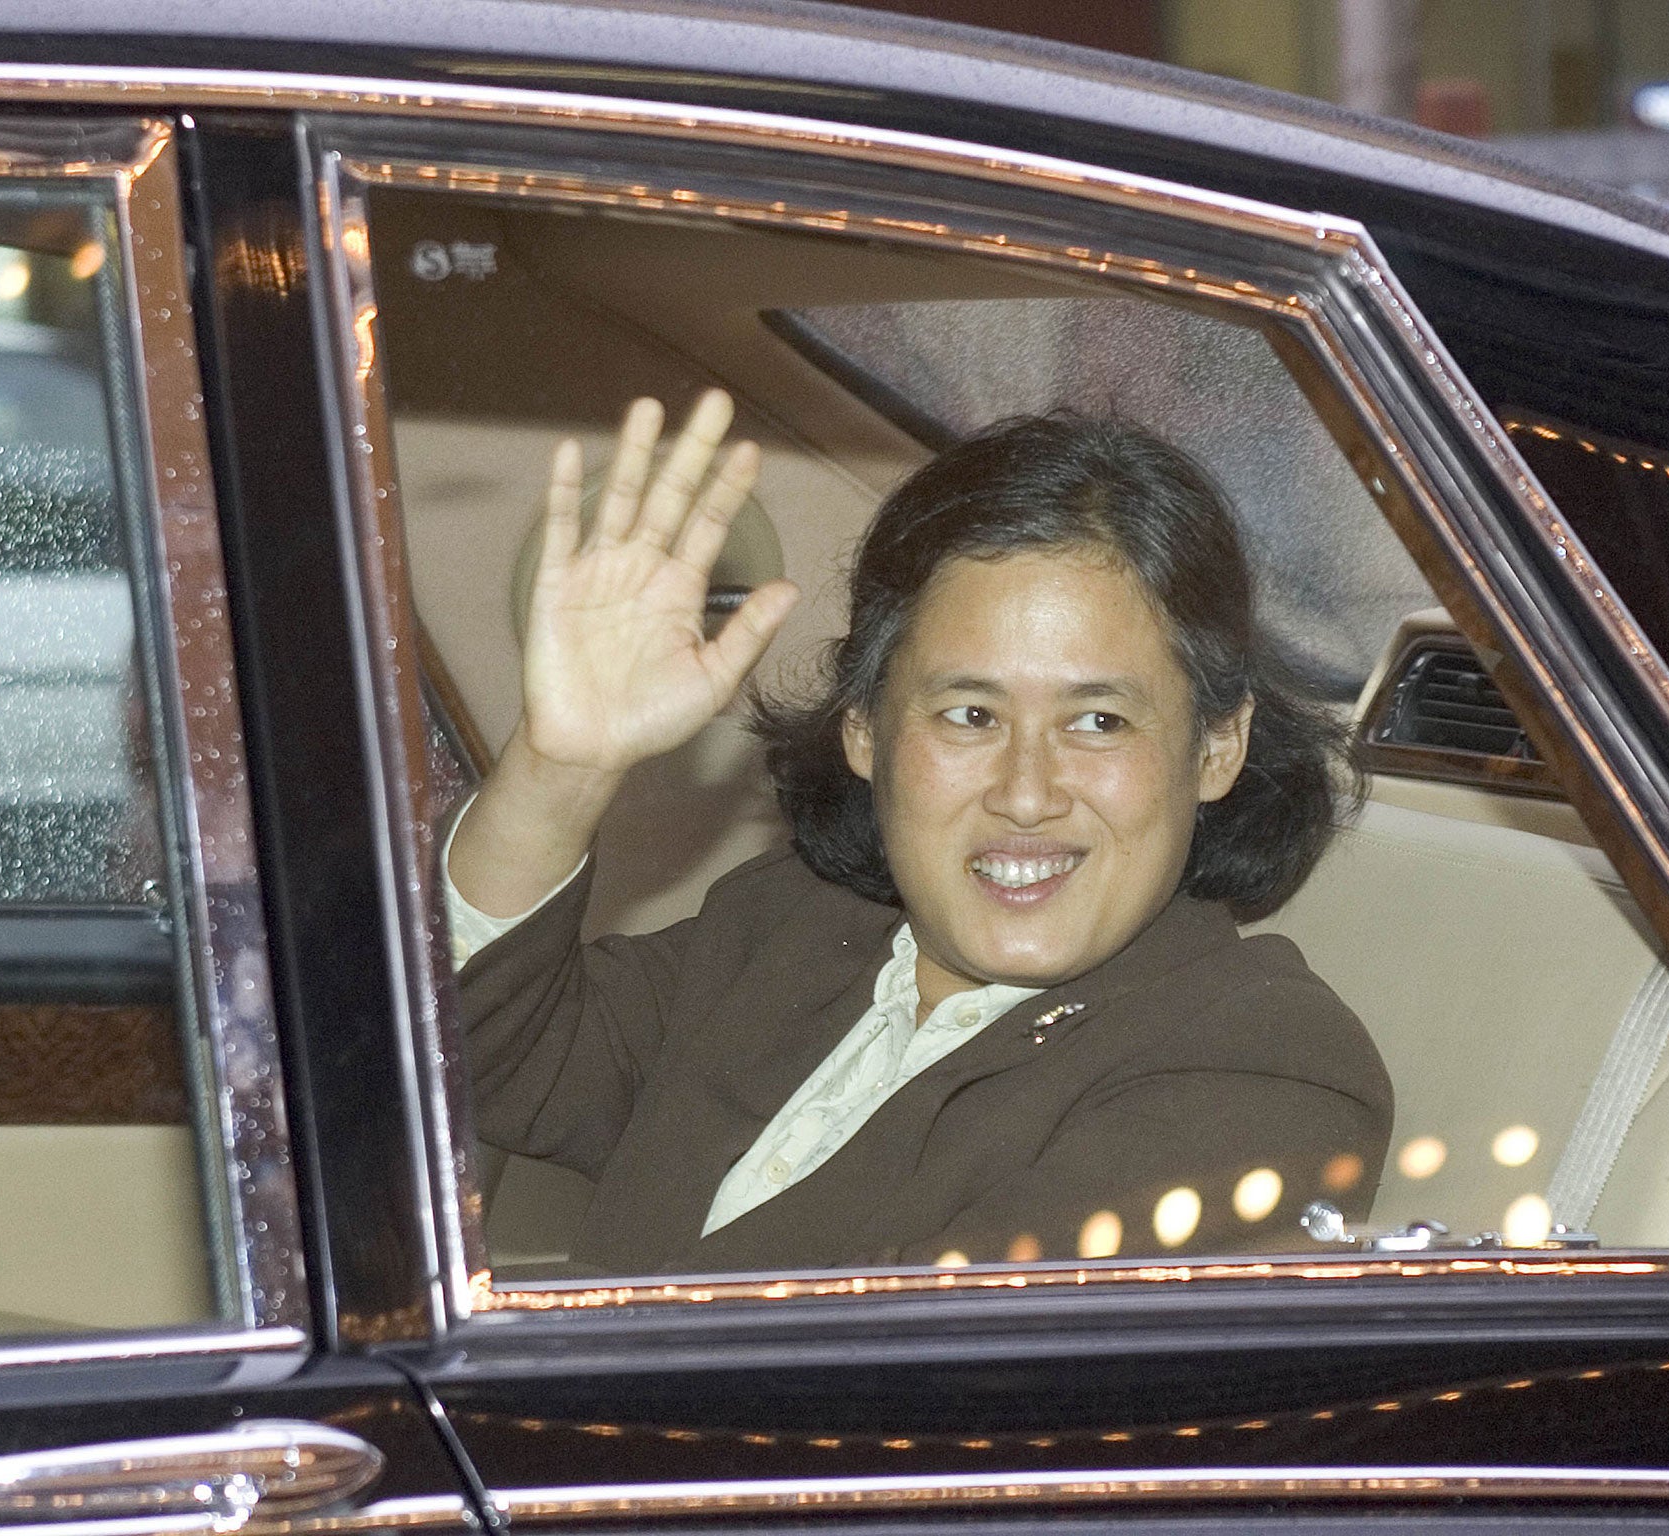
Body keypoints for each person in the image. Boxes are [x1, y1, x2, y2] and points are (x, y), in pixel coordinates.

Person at [446, 390, 1389, 1275]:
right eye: (969, 715)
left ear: (1217, 748)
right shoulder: (791, 928)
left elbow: (906, 1392)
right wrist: (562, 765)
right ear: (864, 730)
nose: (1027, 793)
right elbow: (476, 1053)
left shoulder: (1264, 1067)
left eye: (1099, 720)